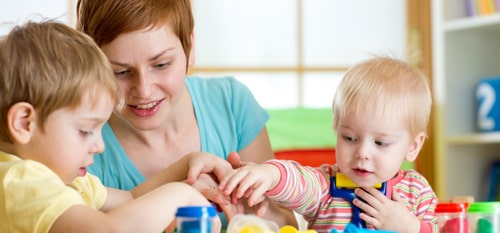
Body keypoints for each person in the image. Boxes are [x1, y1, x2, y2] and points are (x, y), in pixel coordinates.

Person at [75, 0, 296, 227]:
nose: (144, 90)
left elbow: (289, 225)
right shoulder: (79, 140)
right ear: (93, 66)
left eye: (161, 65)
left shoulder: (231, 104)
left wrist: (253, 206)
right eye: (120, 72)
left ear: (190, 48)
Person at [0, 20, 222, 233]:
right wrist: (181, 196)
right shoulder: (20, 181)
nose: (99, 146)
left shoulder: (63, 180)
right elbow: (109, 229)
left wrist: (188, 164)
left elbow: (131, 199)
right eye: (85, 130)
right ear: (24, 123)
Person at [218, 56, 439, 233]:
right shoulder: (325, 186)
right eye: (350, 138)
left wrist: (412, 227)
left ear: (413, 146)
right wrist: (269, 174)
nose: (362, 152)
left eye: (380, 143)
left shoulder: (416, 192)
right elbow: (297, 180)